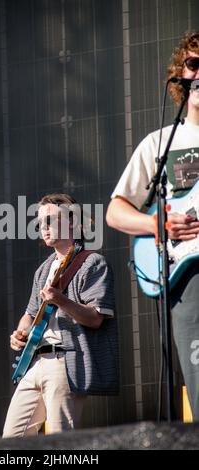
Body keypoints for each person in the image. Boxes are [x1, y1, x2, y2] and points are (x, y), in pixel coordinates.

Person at [106, 31, 199, 421]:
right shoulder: (160, 142)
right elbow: (115, 212)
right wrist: (158, 224)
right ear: (181, 74)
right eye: (194, 64)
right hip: (188, 277)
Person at [2, 193, 119, 437]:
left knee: (61, 441)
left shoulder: (93, 263)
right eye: (40, 221)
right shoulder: (43, 269)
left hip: (65, 362)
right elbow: (29, 314)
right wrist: (20, 333)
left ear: (73, 223)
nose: (43, 227)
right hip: (34, 364)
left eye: (50, 220)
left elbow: (96, 318)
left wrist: (61, 300)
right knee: (11, 439)